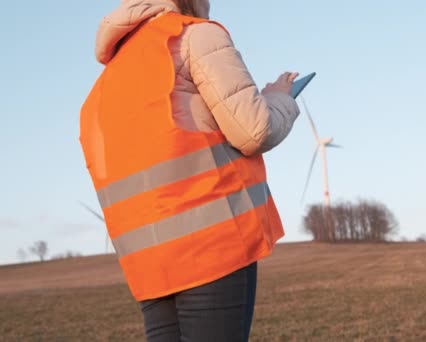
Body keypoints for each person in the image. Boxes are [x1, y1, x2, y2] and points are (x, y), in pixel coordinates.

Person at [79, 0, 301, 340]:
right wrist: (280, 97)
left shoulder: (103, 86)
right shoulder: (193, 37)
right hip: (212, 249)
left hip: (149, 267)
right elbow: (254, 130)